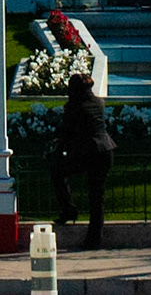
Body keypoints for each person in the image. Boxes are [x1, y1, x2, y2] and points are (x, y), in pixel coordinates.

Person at [48, 72, 115, 249]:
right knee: (96, 195)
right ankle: (94, 239)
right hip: (105, 150)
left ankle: (68, 209)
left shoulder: (73, 106)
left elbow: (67, 132)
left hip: (87, 152)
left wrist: (59, 149)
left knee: (58, 172)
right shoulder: (99, 102)